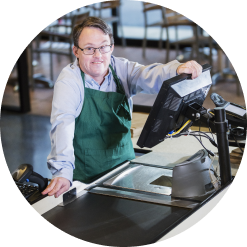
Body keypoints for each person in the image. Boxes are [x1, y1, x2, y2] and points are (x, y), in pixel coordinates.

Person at [42, 16, 202, 198]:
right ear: (76, 51)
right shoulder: (69, 81)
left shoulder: (121, 68)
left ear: (111, 47)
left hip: (124, 167)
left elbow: (148, 74)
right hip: (85, 177)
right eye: (89, 49)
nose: (98, 55)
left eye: (103, 47)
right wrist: (62, 173)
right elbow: (62, 125)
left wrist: (177, 70)